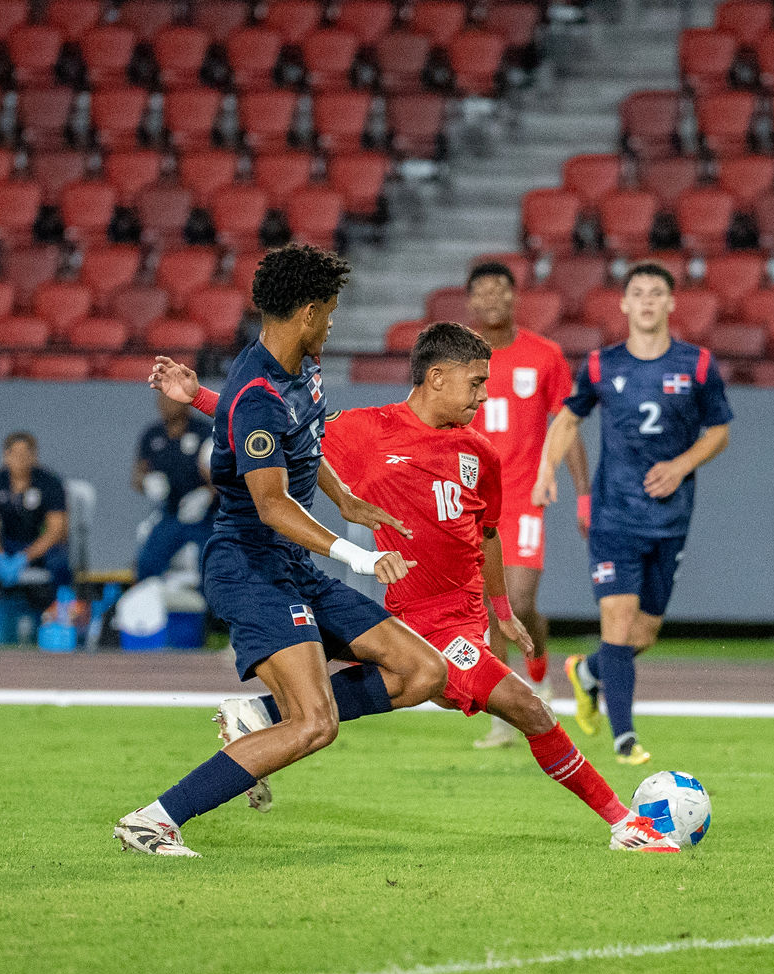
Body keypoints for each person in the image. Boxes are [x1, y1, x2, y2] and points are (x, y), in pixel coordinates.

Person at [149, 323, 680, 854]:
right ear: (436, 377)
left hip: (469, 615)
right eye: (475, 383)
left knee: (419, 689)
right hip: (426, 621)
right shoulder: (366, 431)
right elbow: (266, 425)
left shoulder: (481, 453)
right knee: (530, 709)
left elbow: (488, 532)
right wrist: (197, 395)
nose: (483, 394)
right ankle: (624, 824)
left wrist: (501, 609)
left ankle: (263, 713)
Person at [114, 243, 449, 858]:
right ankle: (154, 819)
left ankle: (261, 714)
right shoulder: (258, 393)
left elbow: (296, 439)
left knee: (425, 672)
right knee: (315, 724)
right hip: (250, 566)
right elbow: (270, 503)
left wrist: (345, 500)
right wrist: (359, 555)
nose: (332, 323)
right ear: (308, 312)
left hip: (292, 565)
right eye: (330, 312)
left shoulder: (297, 371)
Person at [532, 262, 733, 765]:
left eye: (656, 293)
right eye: (637, 293)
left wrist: (681, 464)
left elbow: (719, 431)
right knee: (617, 621)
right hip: (614, 517)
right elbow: (567, 419)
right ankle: (625, 739)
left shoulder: (698, 364)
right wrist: (545, 472)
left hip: (670, 517)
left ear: (670, 303)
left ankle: (588, 673)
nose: (646, 301)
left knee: (643, 634)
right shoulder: (602, 365)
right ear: (623, 304)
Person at [465, 260, 591, 749]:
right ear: (471, 301)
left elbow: (568, 423)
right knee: (486, 609)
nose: (492, 298)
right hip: (471, 503)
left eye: (501, 289)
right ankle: (502, 713)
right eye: (483, 291)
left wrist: (583, 494)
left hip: (523, 500)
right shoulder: (460, 359)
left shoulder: (545, 355)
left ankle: (538, 676)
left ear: (515, 297)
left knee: (516, 604)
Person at [0, 431, 72, 599]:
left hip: (38, 546)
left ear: (34, 456)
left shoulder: (50, 483)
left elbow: (56, 530)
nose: (20, 459)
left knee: (59, 562)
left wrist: (25, 557)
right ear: (6, 455)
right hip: (5, 544)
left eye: (25, 453)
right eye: (15, 454)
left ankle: (62, 610)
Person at [132, 392, 216, 581]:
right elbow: (137, 476)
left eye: (170, 399)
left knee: (211, 565)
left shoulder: (205, 433)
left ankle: (209, 608)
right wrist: (146, 483)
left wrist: (206, 495)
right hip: (170, 514)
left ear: (186, 402)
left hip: (206, 517)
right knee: (147, 563)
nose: (165, 404)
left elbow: (224, 478)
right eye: (161, 399)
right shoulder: (152, 434)